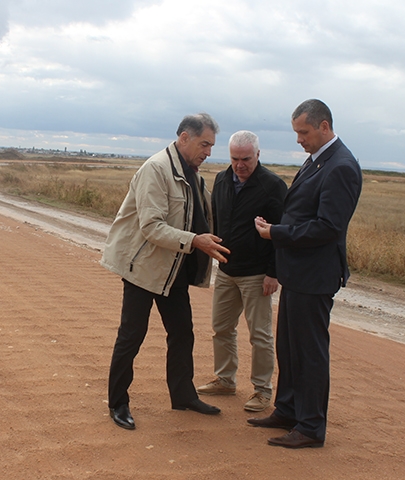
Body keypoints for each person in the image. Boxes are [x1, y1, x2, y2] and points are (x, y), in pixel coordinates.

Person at [101, 113, 230, 430]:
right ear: (184, 137)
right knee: (131, 337)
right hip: (143, 268)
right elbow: (151, 228)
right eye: (204, 144)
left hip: (173, 271)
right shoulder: (157, 169)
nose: (209, 152)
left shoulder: (192, 174)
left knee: (183, 333)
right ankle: (118, 404)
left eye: (212, 145)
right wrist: (194, 241)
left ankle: (183, 396)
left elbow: (204, 213)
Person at [250, 99, 362, 448]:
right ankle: (287, 410)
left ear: (324, 126)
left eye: (304, 132)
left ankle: (311, 426)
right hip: (298, 273)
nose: (299, 139)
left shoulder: (340, 166)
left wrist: (276, 234)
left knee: (309, 353)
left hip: (315, 276)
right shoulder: (319, 161)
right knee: (289, 347)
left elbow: (328, 227)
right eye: (297, 132)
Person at [196, 131, 287, 412]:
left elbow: (282, 233)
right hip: (226, 270)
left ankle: (262, 391)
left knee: (259, 335)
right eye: (235, 159)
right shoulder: (222, 179)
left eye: (246, 159)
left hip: (257, 274)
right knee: (221, 328)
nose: (240, 165)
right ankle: (225, 379)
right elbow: (217, 220)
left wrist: (274, 273)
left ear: (258, 155)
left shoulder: (273, 186)